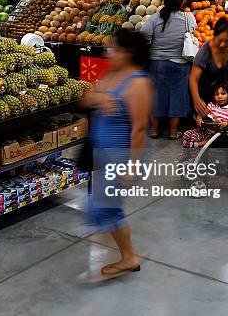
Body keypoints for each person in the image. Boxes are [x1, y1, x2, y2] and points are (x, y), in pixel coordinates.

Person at [81, 29, 153, 278]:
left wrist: (132, 167)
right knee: (102, 204)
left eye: (114, 48)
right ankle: (124, 254)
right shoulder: (111, 74)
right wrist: (100, 98)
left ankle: (129, 258)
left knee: (104, 206)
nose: (108, 52)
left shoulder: (139, 83)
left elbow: (139, 129)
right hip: (101, 151)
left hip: (121, 155)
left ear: (128, 52)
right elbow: (86, 98)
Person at [141, 0, 195, 140]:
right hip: (179, 64)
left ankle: (154, 130)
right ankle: (173, 132)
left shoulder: (155, 18)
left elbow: (144, 33)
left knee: (156, 96)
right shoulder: (187, 17)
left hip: (157, 63)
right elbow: (192, 33)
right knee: (177, 97)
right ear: (181, 2)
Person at [182, 84, 228, 148]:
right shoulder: (212, 105)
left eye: (223, 94)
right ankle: (192, 145)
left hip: (217, 135)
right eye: (216, 94)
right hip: (205, 131)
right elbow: (203, 113)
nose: (219, 96)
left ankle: (197, 145)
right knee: (187, 134)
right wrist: (199, 117)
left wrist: (225, 123)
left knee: (194, 138)